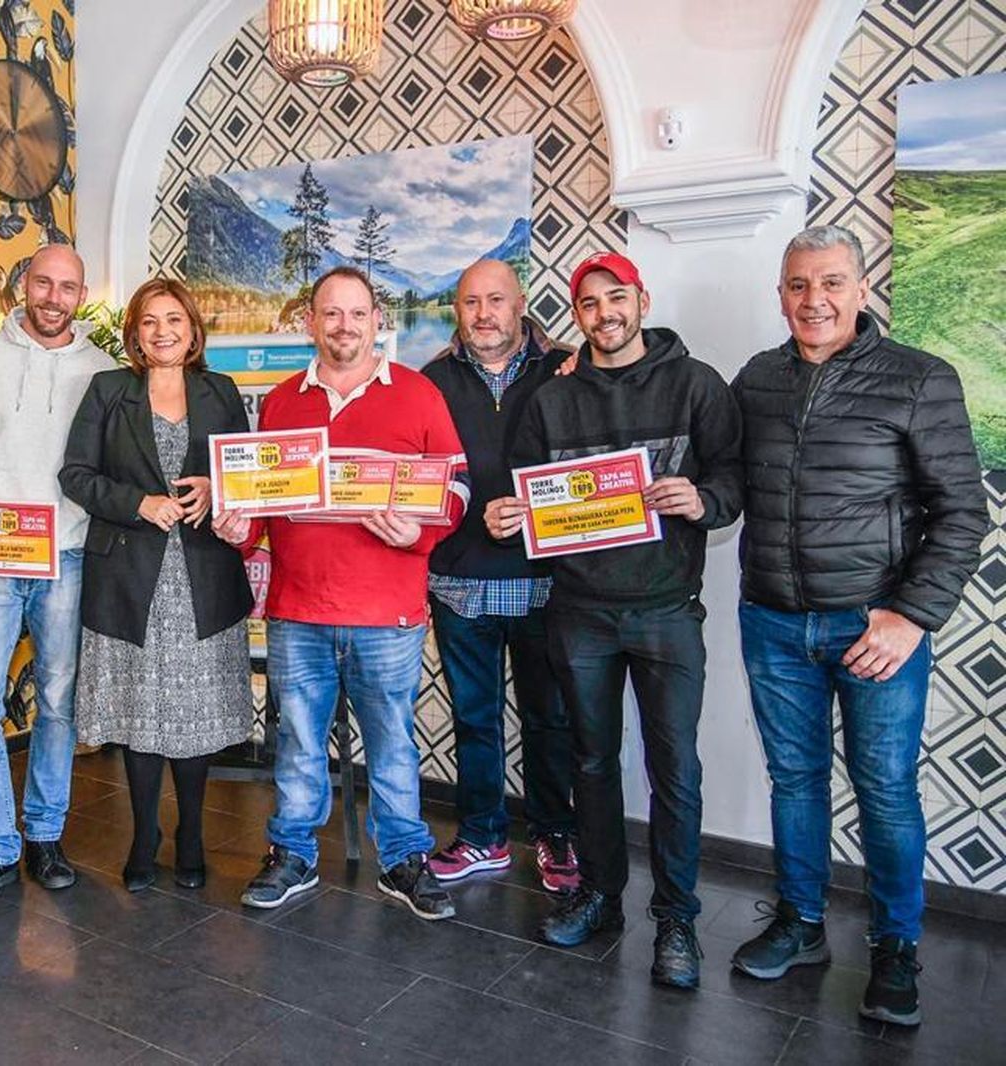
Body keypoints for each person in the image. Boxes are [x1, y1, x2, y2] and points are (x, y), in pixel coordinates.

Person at [728, 226, 987, 1027]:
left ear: (863, 289)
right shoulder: (756, 379)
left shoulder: (919, 378)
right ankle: (802, 923)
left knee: (885, 792)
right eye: (800, 286)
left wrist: (912, 617)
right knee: (795, 783)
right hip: (773, 621)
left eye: (832, 283)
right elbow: (721, 473)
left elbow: (963, 513)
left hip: (876, 630)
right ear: (781, 295)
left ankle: (895, 948)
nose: (816, 301)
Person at [493, 251, 743, 989]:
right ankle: (600, 895)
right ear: (577, 316)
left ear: (641, 300)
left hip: (667, 610)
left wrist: (703, 501)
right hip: (579, 613)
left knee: (675, 771)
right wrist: (511, 515)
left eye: (616, 298)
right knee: (591, 762)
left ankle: (677, 920)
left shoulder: (697, 385)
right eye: (589, 303)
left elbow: (733, 475)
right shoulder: (550, 400)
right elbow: (525, 492)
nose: (605, 313)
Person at [216, 266, 470, 922]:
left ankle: (402, 860)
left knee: (392, 739)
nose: (344, 326)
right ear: (309, 322)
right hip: (299, 609)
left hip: (389, 612)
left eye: (357, 314)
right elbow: (263, 506)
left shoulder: (418, 396)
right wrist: (242, 531)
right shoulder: (280, 402)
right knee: (299, 740)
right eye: (331, 314)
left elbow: (459, 488)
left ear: (377, 319)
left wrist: (421, 527)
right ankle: (292, 855)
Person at [59, 278, 254, 892]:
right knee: (140, 715)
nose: (162, 331)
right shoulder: (108, 390)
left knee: (196, 718)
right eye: (149, 321)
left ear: (193, 330)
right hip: (129, 577)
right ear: (135, 334)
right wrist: (137, 503)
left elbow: (249, 474)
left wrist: (216, 491)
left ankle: (191, 835)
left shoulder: (221, 392)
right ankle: (145, 836)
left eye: (174, 319)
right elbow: (76, 475)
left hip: (203, 575)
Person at [0, 244, 113, 913]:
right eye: (43, 282)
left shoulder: (103, 370)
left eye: (68, 286)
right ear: (23, 285)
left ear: (80, 294)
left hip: (67, 556)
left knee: (59, 704)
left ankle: (44, 834)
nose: (54, 297)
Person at [421, 259, 578, 893]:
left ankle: (553, 833)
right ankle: (483, 833)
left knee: (551, 717)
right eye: (470, 303)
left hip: (547, 580)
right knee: (475, 716)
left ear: (521, 304)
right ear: (456, 311)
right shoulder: (428, 380)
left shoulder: (568, 369)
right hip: (459, 582)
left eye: (496, 300)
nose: (483, 314)